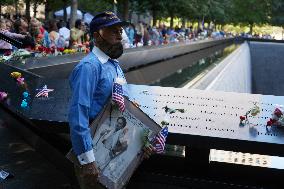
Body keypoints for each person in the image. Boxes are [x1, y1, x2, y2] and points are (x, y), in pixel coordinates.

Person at [68, 11, 155, 189]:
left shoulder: (113, 65)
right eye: (113, 31)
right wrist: (87, 161)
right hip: (94, 158)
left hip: (114, 155)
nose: (120, 35)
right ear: (96, 36)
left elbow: (124, 108)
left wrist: (141, 142)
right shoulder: (89, 67)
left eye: (120, 30)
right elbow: (78, 115)